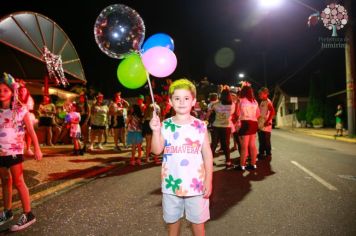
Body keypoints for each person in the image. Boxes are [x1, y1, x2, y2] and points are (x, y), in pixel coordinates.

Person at [150, 79, 213, 236]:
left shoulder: (200, 126)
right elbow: (156, 151)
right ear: (170, 101)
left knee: (198, 226)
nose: (182, 102)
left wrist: (209, 180)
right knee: (173, 225)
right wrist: (156, 131)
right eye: (177, 98)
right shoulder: (165, 125)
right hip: (171, 186)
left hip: (196, 186)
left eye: (186, 98)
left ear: (193, 101)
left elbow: (207, 154)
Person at [0, 73, 42, 231]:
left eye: (5, 90)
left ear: (12, 92)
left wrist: (37, 148)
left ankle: (28, 214)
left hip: (14, 151)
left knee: (18, 181)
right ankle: (7, 212)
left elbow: (31, 131)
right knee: (5, 180)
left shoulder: (20, 110)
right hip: (0, 152)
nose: (1, 92)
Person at [206, 88, 235, 168]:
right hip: (226, 126)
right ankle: (228, 162)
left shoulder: (215, 104)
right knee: (226, 145)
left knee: (214, 144)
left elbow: (208, 115)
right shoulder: (232, 104)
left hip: (216, 126)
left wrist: (207, 119)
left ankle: (209, 161)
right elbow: (232, 113)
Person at [235, 82, 260, 171]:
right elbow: (258, 114)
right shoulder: (255, 101)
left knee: (244, 146)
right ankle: (253, 164)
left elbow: (237, 113)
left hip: (245, 123)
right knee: (252, 145)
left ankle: (242, 165)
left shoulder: (240, 100)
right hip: (254, 123)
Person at [17, 81, 37, 156]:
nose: (22, 92)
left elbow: (29, 108)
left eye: (24, 90)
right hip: (18, 116)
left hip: (27, 115)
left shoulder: (30, 99)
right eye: (21, 90)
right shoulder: (15, 98)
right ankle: (20, 148)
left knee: (29, 132)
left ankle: (28, 148)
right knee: (19, 132)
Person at [142, 95, 161, 164]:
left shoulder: (149, 106)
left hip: (149, 124)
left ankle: (147, 158)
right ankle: (156, 158)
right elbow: (160, 117)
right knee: (155, 143)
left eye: (147, 99)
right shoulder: (158, 107)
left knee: (148, 143)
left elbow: (146, 116)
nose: (146, 100)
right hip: (156, 125)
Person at [257, 87, 275, 159]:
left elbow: (273, 112)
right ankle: (261, 153)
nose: (259, 95)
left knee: (266, 140)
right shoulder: (262, 102)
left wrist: (267, 121)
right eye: (259, 93)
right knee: (261, 139)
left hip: (266, 124)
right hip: (261, 124)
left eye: (260, 93)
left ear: (265, 94)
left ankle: (268, 154)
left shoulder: (268, 102)